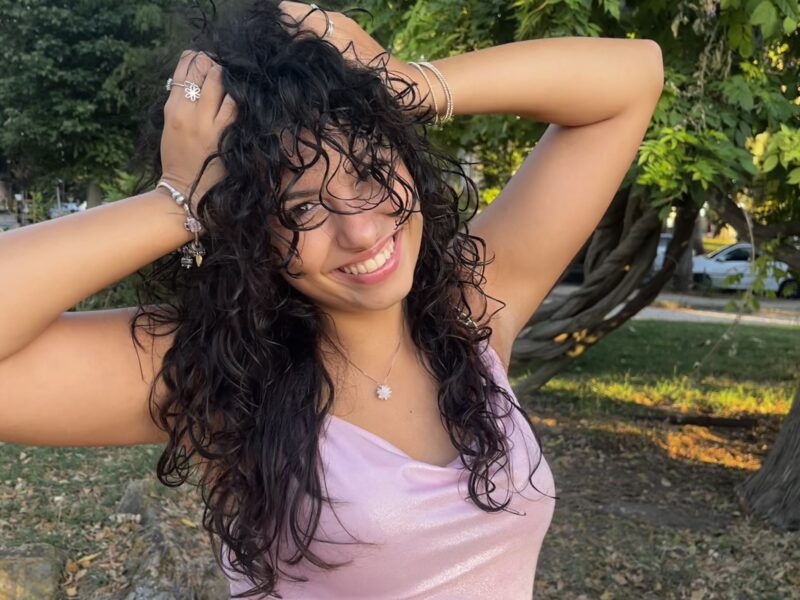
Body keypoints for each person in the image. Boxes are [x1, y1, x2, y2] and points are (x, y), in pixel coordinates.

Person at [0, 1, 664, 597]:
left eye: (371, 171)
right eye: (301, 208)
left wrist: (404, 81)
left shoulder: (468, 312)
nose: (361, 230)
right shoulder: (224, 374)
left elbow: (633, 77)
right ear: (247, 229)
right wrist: (179, 199)